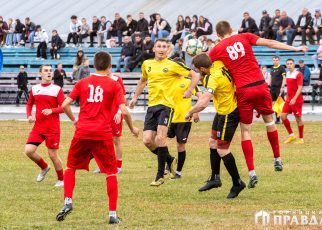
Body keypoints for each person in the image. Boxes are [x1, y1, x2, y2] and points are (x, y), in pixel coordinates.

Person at [209, 20, 307, 188]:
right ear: (232, 29)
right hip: (260, 86)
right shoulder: (245, 36)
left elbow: (205, 64)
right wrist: (295, 48)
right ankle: (277, 158)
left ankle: (252, 172)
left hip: (243, 90)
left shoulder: (217, 49)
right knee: (269, 122)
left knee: (246, 130)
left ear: (218, 35)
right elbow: (270, 42)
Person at [56, 51, 139, 224]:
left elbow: (64, 104)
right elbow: (123, 110)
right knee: (111, 172)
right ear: (109, 67)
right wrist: (132, 128)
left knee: (71, 166)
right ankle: (112, 214)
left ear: (93, 65)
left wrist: (74, 120)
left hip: (83, 131)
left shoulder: (83, 82)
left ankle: (68, 201)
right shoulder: (114, 84)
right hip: (102, 133)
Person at [128, 38, 199, 186]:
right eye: (159, 46)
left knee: (161, 138)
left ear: (168, 50)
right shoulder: (147, 64)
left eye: (164, 47)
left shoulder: (173, 65)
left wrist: (189, 90)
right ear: (153, 48)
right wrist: (135, 97)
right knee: (148, 140)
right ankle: (169, 159)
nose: (161, 49)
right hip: (152, 106)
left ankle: (160, 176)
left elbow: (195, 75)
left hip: (166, 106)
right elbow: (142, 81)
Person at [186, 53, 246, 198]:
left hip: (229, 113)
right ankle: (215, 178)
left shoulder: (214, 78)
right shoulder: (218, 64)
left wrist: (190, 112)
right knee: (212, 143)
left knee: (222, 149)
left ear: (202, 68)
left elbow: (204, 102)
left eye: (197, 69)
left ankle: (237, 183)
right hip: (221, 111)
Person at [24, 64, 65, 187]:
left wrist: (52, 110)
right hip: (38, 127)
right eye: (46, 71)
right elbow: (29, 104)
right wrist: (29, 116)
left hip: (52, 128)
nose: (49, 73)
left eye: (50, 71)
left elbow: (64, 108)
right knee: (29, 151)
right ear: (40, 74)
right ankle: (44, 167)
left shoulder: (57, 89)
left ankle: (61, 180)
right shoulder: (35, 88)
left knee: (53, 155)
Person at [167, 57, 202, 179]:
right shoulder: (168, 82)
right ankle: (169, 160)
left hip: (184, 118)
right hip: (169, 117)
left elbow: (200, 96)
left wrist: (196, 112)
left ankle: (178, 172)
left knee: (180, 145)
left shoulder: (188, 82)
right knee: (159, 139)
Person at [94, 72, 127, 174]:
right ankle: (103, 165)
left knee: (116, 139)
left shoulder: (117, 79)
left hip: (115, 113)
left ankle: (118, 166)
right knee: (101, 140)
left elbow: (122, 97)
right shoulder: (98, 79)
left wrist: (119, 112)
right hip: (102, 114)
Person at [281, 59, 304, 144]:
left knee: (298, 119)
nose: (289, 65)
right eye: (288, 64)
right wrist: (282, 88)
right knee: (283, 116)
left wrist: (294, 98)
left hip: (296, 100)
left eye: (291, 64)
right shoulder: (287, 73)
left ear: (294, 64)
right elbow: (286, 83)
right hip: (288, 99)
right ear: (286, 65)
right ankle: (292, 136)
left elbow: (300, 87)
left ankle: (301, 139)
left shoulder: (298, 74)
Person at [270, 56, 286, 124]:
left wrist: (282, 87)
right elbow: (271, 77)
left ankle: (282, 119)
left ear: (279, 60)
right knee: (274, 104)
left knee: (280, 104)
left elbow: (284, 78)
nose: (275, 61)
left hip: (279, 88)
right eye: (274, 60)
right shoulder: (272, 68)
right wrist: (268, 85)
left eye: (276, 60)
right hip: (272, 88)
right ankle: (277, 119)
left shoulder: (282, 68)